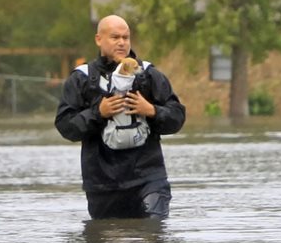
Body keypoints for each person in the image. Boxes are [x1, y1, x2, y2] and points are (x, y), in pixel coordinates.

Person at [54, 15, 186, 220]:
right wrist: (98, 113)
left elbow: (177, 117)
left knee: (153, 234)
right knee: (107, 241)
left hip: (148, 178)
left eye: (126, 37)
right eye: (115, 37)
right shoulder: (81, 79)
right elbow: (65, 127)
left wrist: (151, 110)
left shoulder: (149, 75)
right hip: (102, 184)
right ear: (99, 39)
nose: (122, 42)